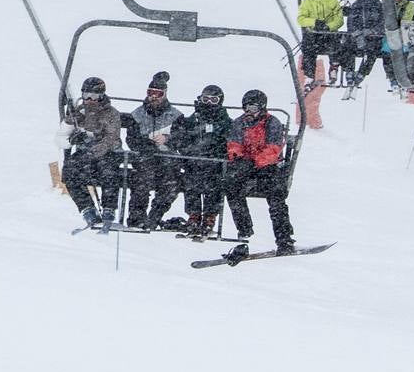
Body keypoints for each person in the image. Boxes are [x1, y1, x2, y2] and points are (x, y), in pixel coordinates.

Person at [218, 90, 295, 260]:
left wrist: (257, 161)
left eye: (252, 108)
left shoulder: (272, 123)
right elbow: (234, 143)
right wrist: (238, 156)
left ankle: (284, 239)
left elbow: (274, 148)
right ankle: (244, 227)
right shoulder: (239, 123)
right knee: (231, 186)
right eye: (246, 108)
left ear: (261, 108)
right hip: (247, 164)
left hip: (268, 167)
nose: (249, 112)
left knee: (276, 196)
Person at [122, 73, 184, 230]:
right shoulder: (138, 114)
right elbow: (131, 139)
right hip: (145, 157)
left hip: (168, 158)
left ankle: (154, 217)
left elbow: (182, 139)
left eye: (158, 94)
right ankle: (136, 219)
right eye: (151, 93)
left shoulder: (175, 115)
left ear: (165, 95)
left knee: (171, 184)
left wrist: (168, 139)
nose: (154, 97)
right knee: (142, 180)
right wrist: (148, 144)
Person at [62, 78, 125, 228]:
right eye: (86, 96)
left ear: (102, 96)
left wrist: (91, 151)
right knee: (69, 171)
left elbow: (111, 139)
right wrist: (72, 139)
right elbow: (62, 134)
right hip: (86, 155)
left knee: (107, 171)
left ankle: (109, 209)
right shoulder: (78, 112)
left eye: (94, 97)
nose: (90, 100)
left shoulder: (111, 114)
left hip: (110, 153)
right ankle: (87, 209)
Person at [172, 86, 234, 238]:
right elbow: (182, 137)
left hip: (215, 163)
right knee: (191, 180)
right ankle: (194, 215)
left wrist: (216, 154)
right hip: (195, 161)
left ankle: (210, 216)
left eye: (214, 100)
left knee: (214, 182)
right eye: (206, 99)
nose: (209, 103)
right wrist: (188, 151)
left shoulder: (225, 121)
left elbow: (228, 141)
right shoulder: (194, 119)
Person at [297, 0, 346, 85]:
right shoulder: (307, 2)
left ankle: (333, 68)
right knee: (308, 48)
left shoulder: (331, 1)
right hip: (313, 34)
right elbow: (301, 19)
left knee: (335, 44)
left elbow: (339, 19)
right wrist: (314, 22)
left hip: (329, 34)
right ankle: (309, 75)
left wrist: (328, 27)